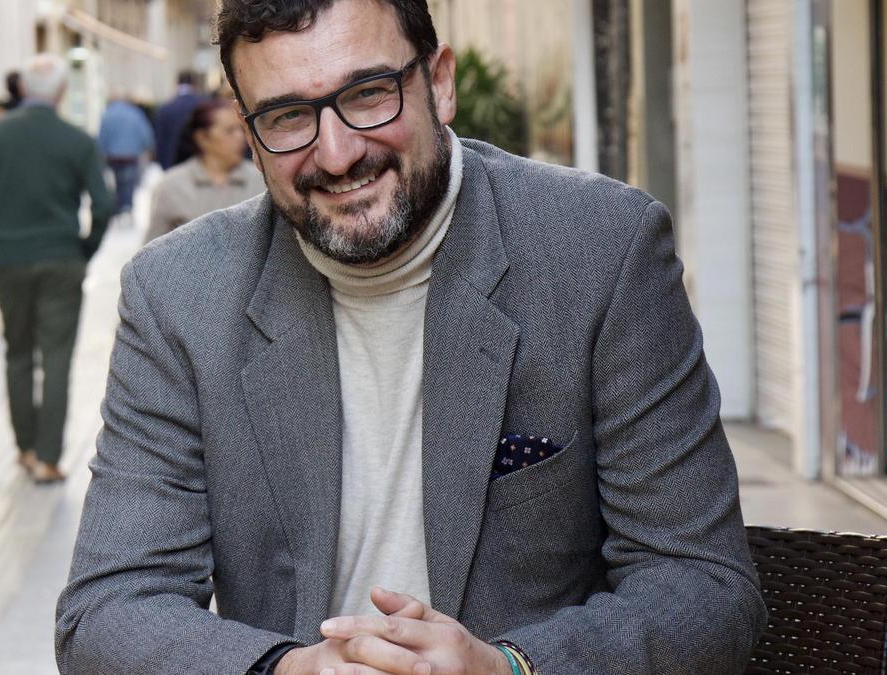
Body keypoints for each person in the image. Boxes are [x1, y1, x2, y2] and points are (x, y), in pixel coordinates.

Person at [55, 0, 767, 672]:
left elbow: (704, 585)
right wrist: (285, 667)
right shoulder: (177, 296)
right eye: (287, 115)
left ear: (440, 82)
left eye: (367, 94)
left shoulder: (602, 254)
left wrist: (511, 665)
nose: (335, 155)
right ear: (249, 133)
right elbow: (107, 609)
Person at [0, 53, 113, 484]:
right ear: (62, 91)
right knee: (57, 357)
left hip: (7, 259)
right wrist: (86, 249)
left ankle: (24, 447)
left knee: (18, 353)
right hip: (63, 258)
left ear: (23, 89)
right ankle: (48, 457)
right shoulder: (77, 141)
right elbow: (102, 205)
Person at [144, 99, 263, 243]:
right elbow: (152, 250)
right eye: (229, 131)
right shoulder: (172, 186)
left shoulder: (260, 179)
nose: (240, 138)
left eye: (241, 130)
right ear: (202, 138)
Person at [98, 95, 154, 217]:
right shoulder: (135, 113)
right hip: (131, 155)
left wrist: (102, 151)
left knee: (118, 182)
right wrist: (147, 147)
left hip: (113, 156)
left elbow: (102, 135)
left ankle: (119, 208)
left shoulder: (108, 114)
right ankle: (127, 208)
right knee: (129, 182)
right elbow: (145, 132)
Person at [153, 70, 208, 170]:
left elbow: (159, 139)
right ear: (195, 83)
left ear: (177, 82)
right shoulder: (204, 105)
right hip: (200, 165)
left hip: (171, 163)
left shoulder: (165, 108)